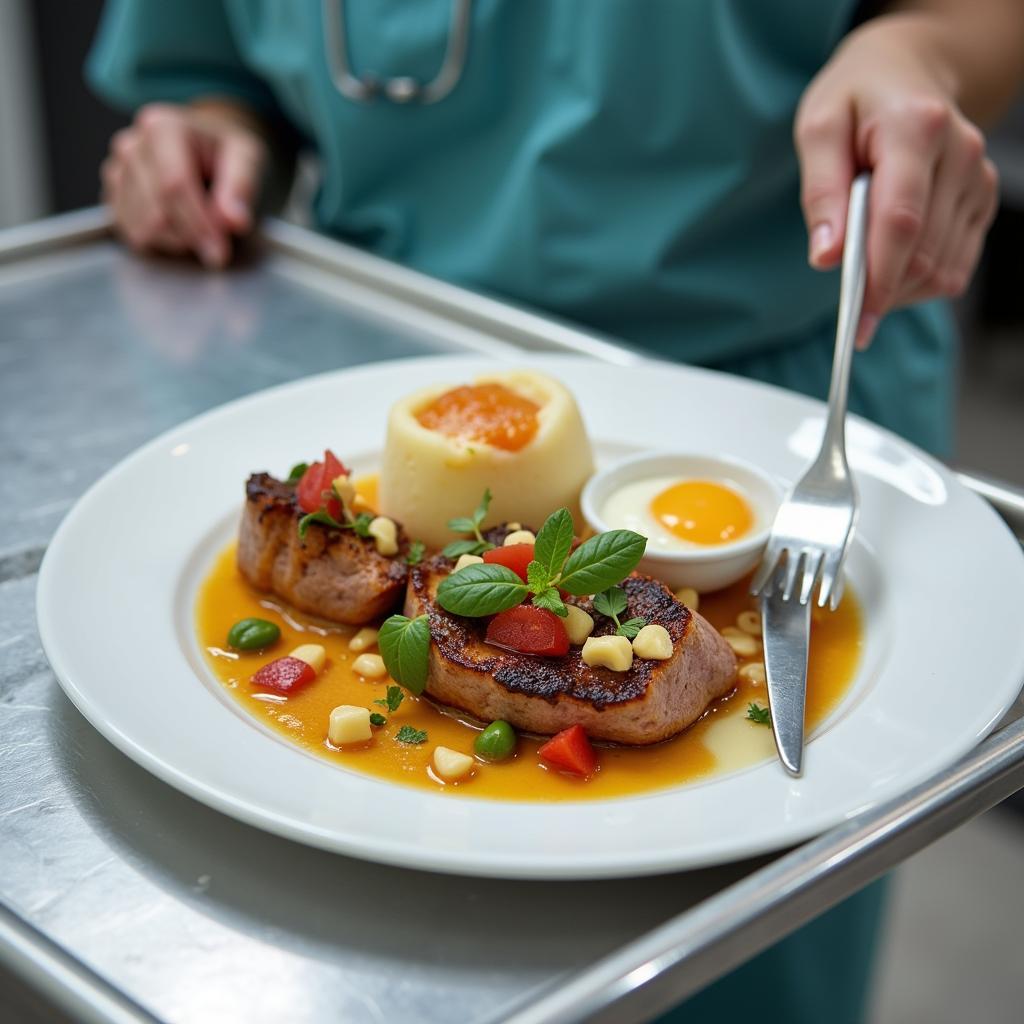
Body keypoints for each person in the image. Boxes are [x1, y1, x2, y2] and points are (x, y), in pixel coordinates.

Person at [87, 2, 1023, 1020]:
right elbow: (203, 66)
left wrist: (915, 49)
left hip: (780, 373)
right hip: (376, 341)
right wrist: (209, 140)